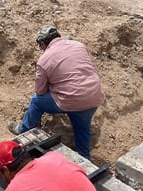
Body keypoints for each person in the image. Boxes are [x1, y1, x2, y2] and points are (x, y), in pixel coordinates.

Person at [8, 25, 105, 160]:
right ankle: (84, 157)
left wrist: (53, 86)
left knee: (37, 101)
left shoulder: (44, 59)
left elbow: (40, 90)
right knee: (82, 128)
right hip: (94, 96)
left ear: (43, 43)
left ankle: (23, 130)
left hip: (70, 100)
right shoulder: (79, 45)